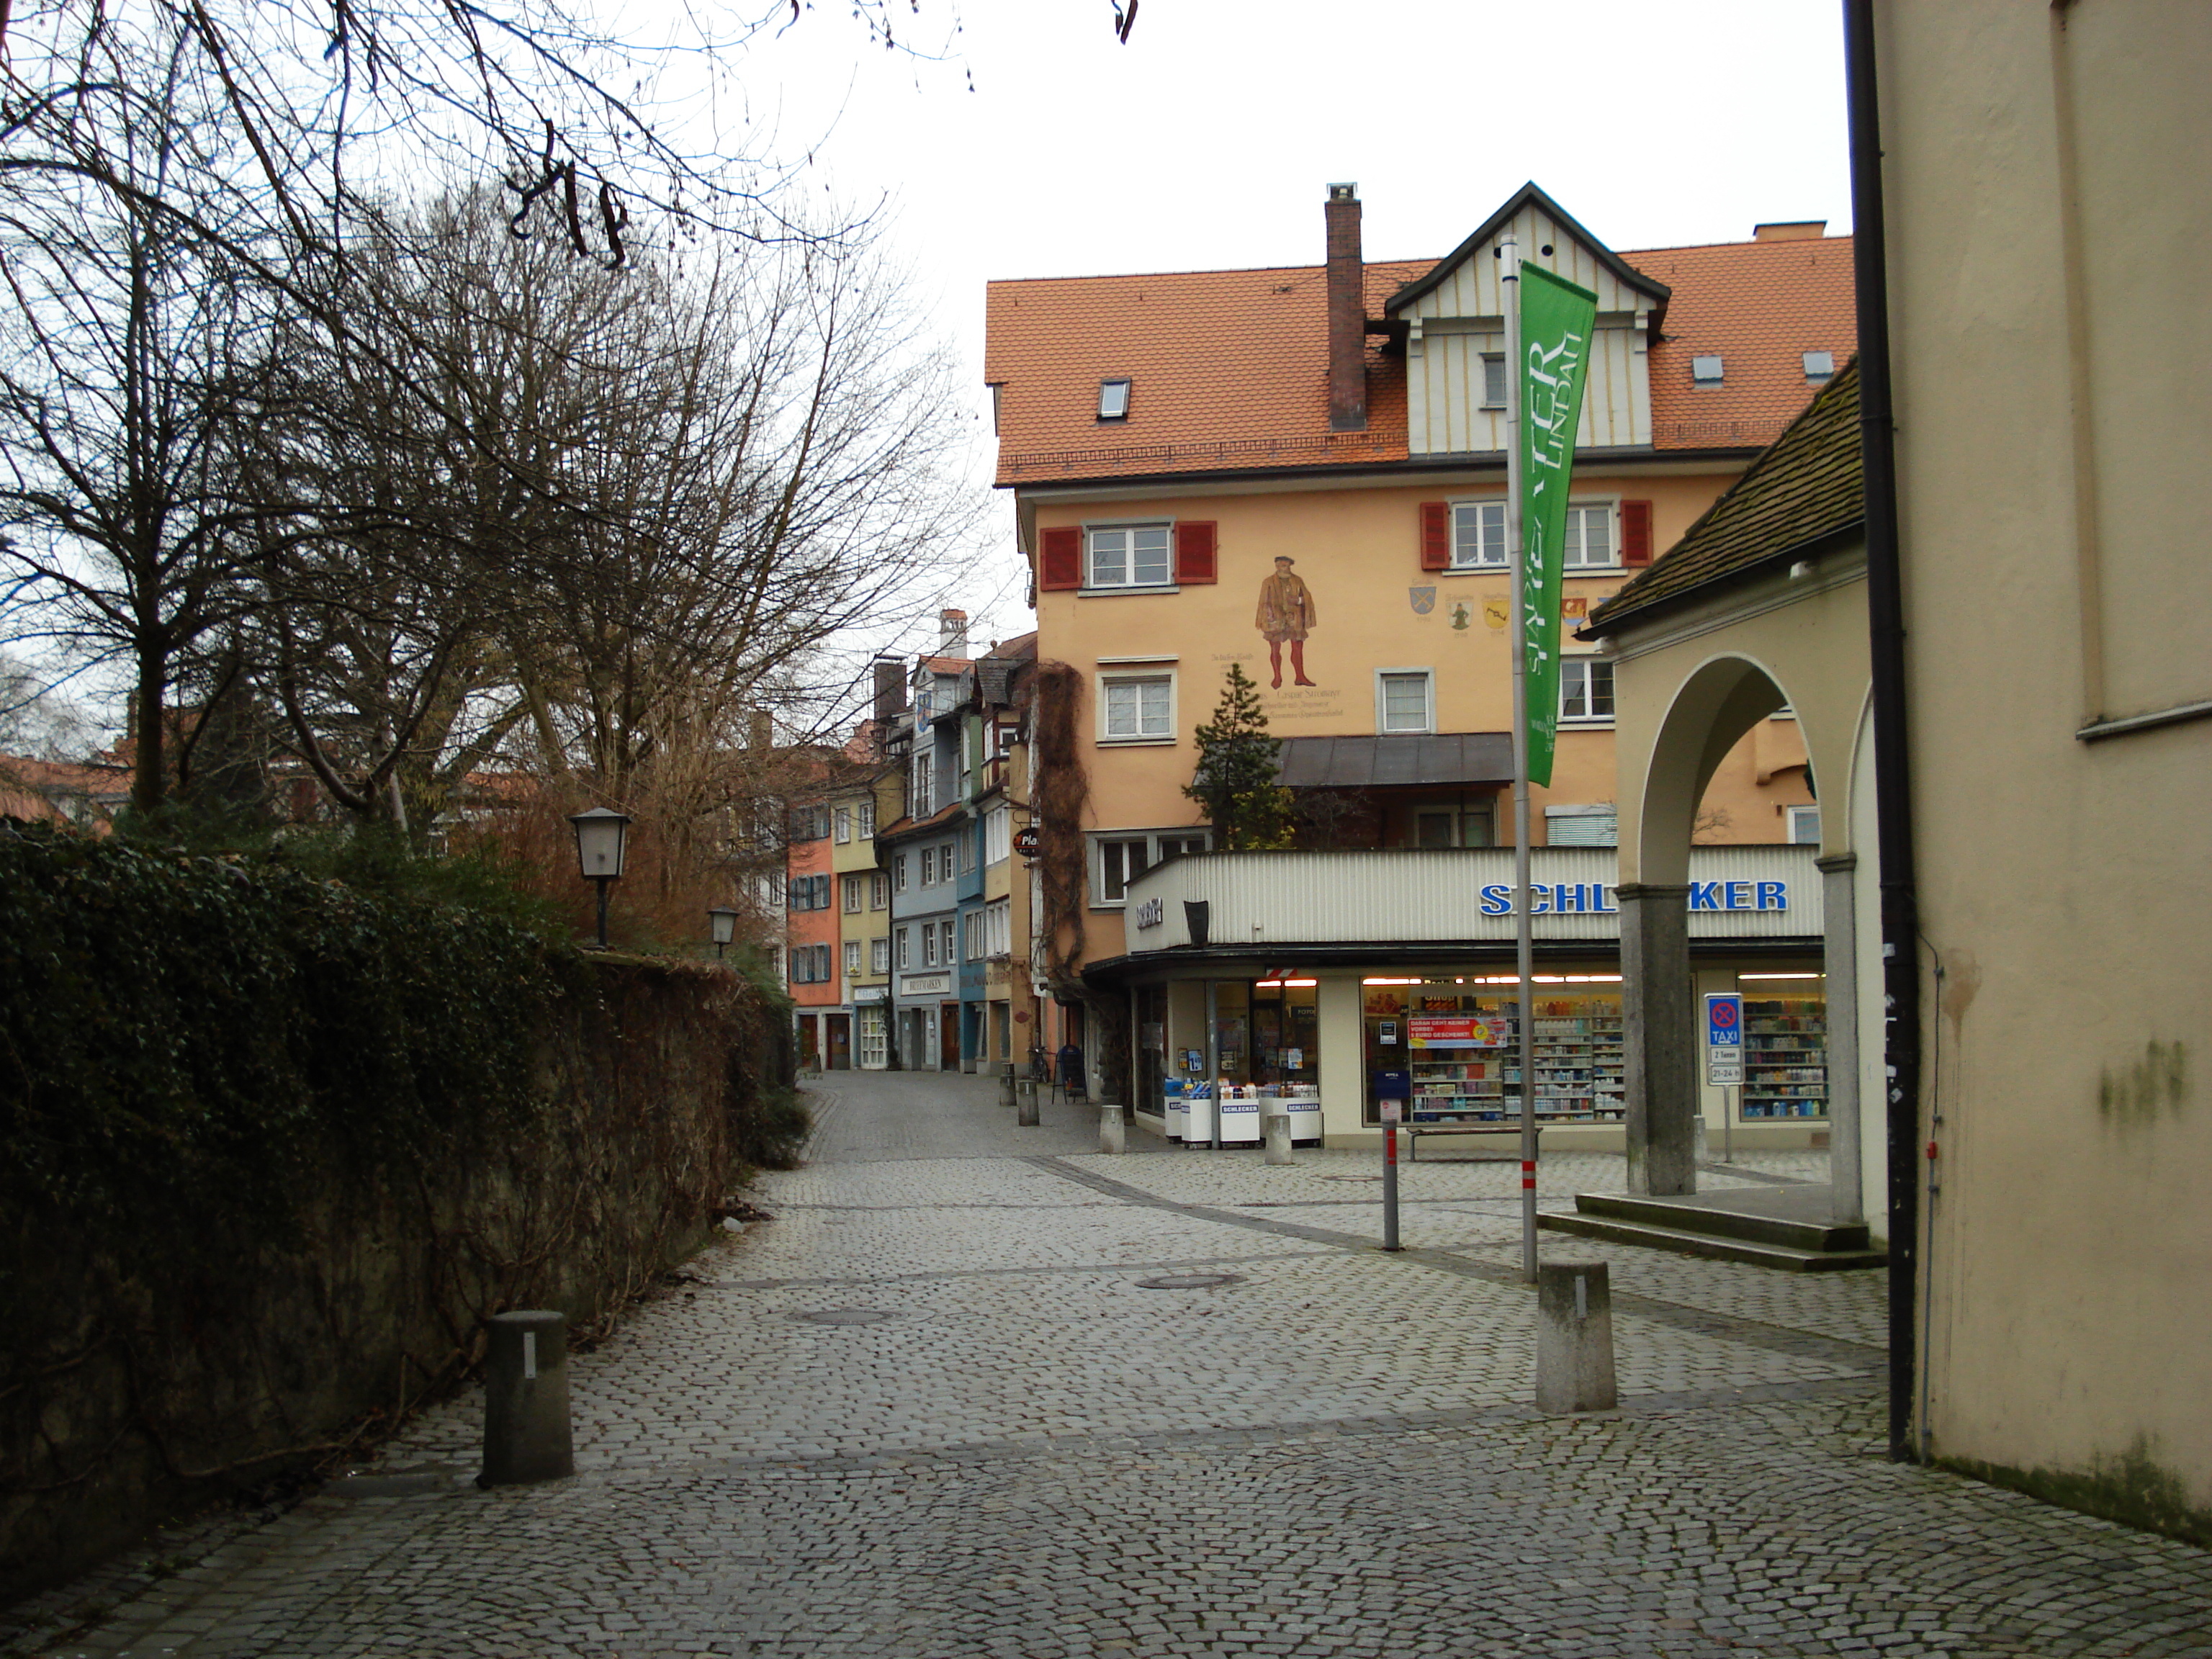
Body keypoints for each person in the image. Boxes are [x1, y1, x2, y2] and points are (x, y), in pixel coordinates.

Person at [1254, 555, 1318, 688]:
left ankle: (1300, 677)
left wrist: (1298, 601)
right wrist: (1272, 617)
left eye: (1288, 566)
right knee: (1275, 649)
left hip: (1295, 619)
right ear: (1277, 566)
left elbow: (1307, 597)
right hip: (1275, 620)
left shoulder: (1297, 580)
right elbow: (1264, 602)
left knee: (1298, 648)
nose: (1286, 568)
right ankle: (1277, 677)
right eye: (1283, 566)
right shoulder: (1268, 582)